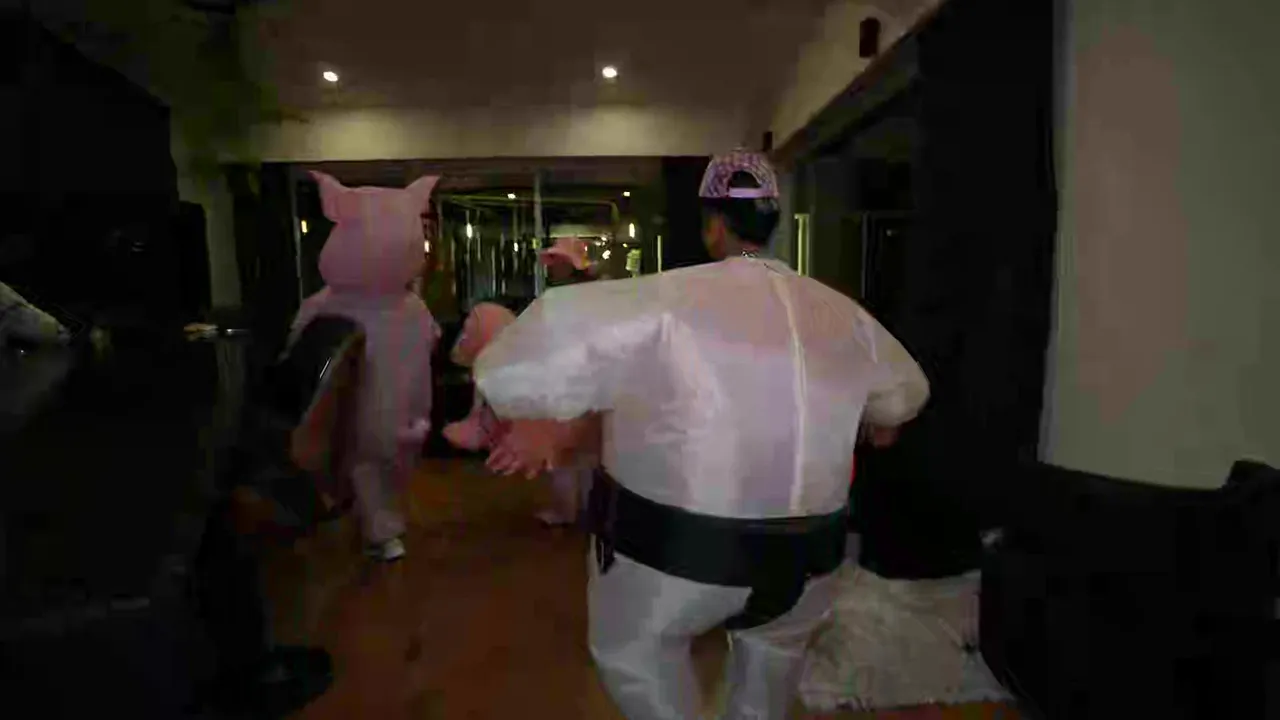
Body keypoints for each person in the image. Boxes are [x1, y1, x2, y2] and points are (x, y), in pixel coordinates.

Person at [474, 149, 930, 719]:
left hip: (676, 555)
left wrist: (542, 413)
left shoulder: (656, 302)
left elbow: (510, 370)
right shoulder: (846, 316)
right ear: (773, 220)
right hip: (809, 560)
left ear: (713, 224)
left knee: (636, 656)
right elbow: (903, 397)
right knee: (771, 667)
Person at [289, 172, 441, 562]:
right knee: (364, 460)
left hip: (400, 406)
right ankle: (378, 527)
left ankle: (376, 523)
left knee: (382, 462)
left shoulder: (407, 306)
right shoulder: (331, 303)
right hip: (355, 406)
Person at [532, 236, 601, 527]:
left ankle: (569, 509)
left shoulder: (564, 299)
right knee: (580, 448)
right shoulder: (587, 297)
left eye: (557, 262)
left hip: (572, 378)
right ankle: (580, 508)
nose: (552, 268)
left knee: (569, 447)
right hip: (580, 378)